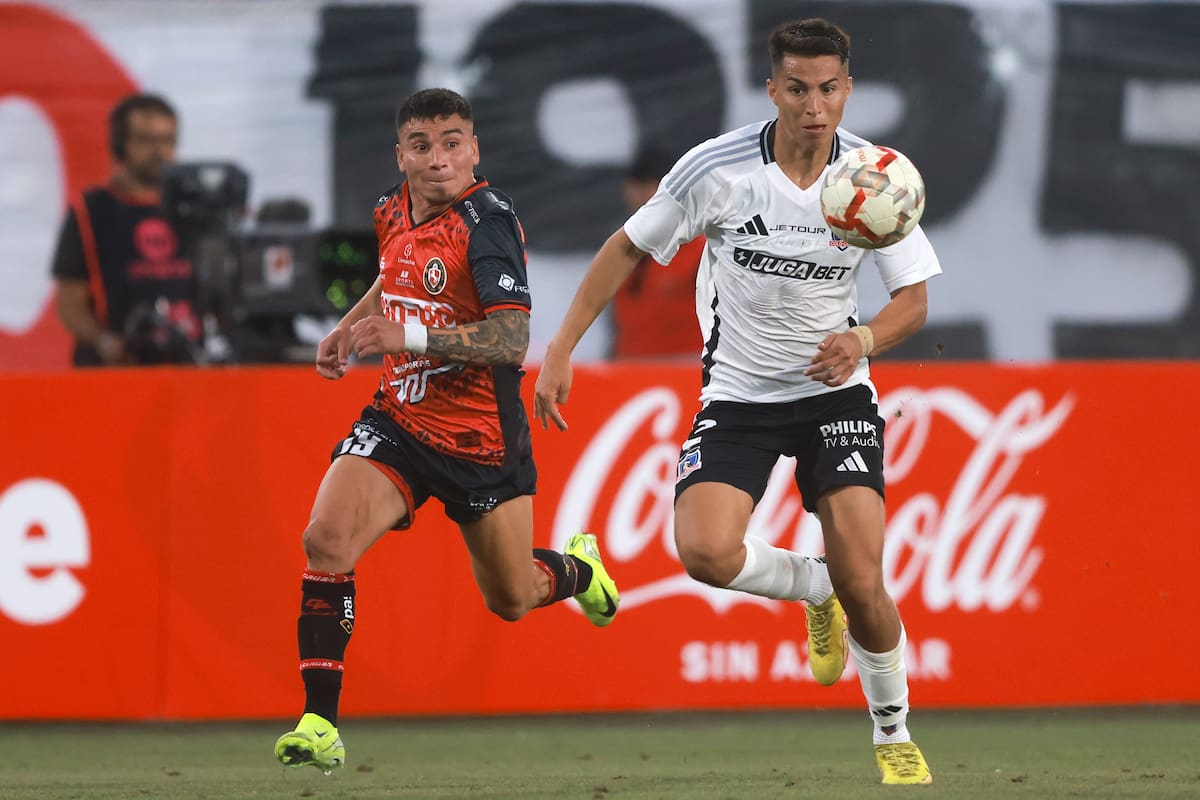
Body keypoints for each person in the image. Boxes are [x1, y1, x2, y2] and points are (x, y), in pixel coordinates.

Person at [535, 18, 939, 786]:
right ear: (772, 90)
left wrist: (863, 340)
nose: (813, 106)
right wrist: (561, 347)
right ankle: (810, 585)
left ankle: (892, 730)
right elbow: (626, 246)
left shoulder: (875, 178)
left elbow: (912, 302)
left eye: (827, 89)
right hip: (740, 394)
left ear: (846, 90)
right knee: (706, 554)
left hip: (836, 396)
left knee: (867, 579)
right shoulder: (716, 170)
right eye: (797, 89)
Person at [273, 88, 620, 773]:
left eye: (454, 142)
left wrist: (399, 332)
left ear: (475, 149)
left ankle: (581, 571)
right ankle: (319, 722)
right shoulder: (389, 208)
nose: (440, 159)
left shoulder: (486, 224)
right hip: (398, 418)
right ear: (400, 154)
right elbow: (395, 276)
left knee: (512, 597)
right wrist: (351, 328)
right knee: (326, 538)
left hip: (481, 441)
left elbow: (511, 338)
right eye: (424, 145)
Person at [50, 92, 201, 366]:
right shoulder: (90, 210)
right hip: (114, 374)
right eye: (146, 140)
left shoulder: (197, 209)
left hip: (189, 370)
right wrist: (105, 342)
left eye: (167, 140)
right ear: (120, 145)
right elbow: (69, 304)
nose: (159, 151)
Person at [610, 147, 705, 359]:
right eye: (639, 186)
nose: (646, 195)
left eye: (655, 186)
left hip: (687, 375)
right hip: (630, 374)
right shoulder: (619, 250)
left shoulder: (700, 250)